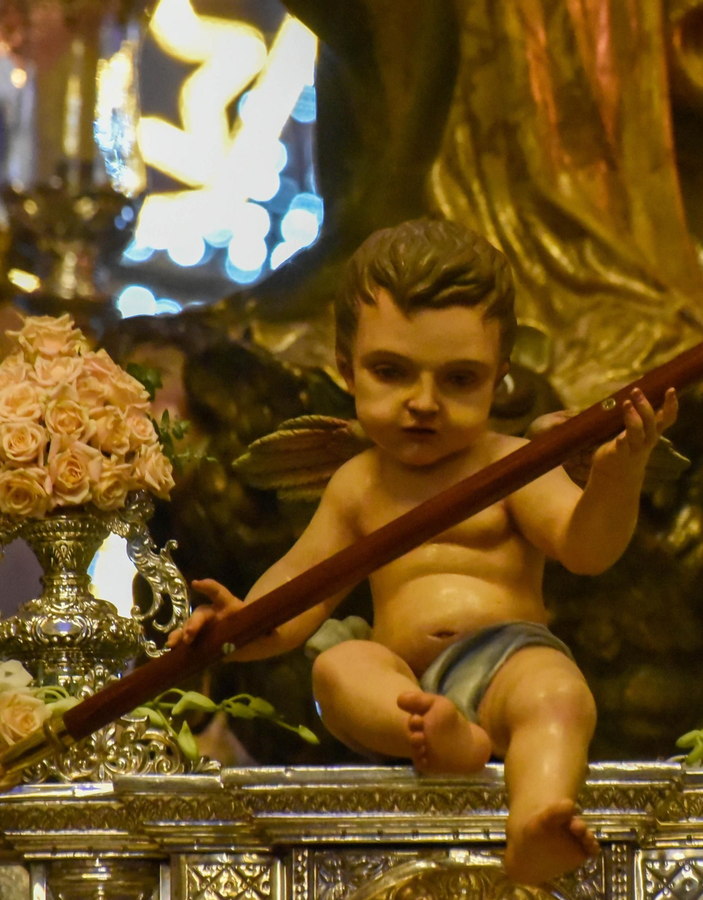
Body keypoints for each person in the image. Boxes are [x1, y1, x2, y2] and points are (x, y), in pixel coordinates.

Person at [169, 218, 676, 884]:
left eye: (460, 380)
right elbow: (297, 588)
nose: (424, 404)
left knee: (558, 696)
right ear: (346, 371)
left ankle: (538, 817)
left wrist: (618, 472)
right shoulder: (359, 483)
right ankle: (436, 737)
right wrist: (235, 629)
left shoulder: (516, 465)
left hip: (504, 659)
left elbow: (587, 549)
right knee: (338, 670)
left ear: (500, 378)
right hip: (397, 676)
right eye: (391, 373)